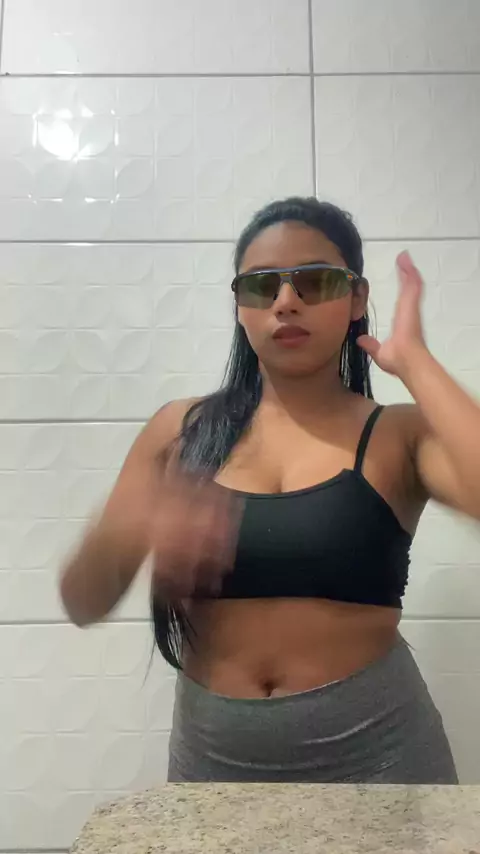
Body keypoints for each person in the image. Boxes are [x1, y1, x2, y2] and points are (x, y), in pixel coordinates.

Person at [61, 196, 480, 784]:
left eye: (315, 281)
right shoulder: (179, 431)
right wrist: (127, 532)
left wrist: (415, 363)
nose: (286, 301)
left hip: (384, 763)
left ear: (357, 298)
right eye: (261, 286)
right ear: (239, 307)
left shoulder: (399, 435)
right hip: (214, 767)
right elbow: (83, 604)